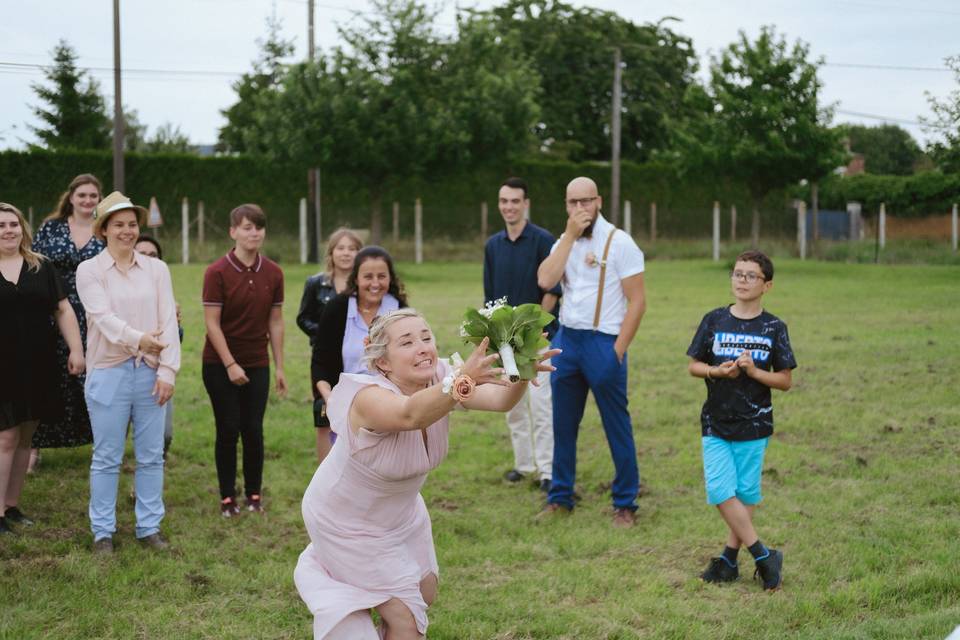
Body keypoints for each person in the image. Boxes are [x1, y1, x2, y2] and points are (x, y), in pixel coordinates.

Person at [295, 308, 559, 639]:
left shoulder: (442, 378)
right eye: (407, 342)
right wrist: (463, 377)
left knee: (424, 593)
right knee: (407, 618)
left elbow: (501, 401)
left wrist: (521, 370)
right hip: (346, 521)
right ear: (384, 363)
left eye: (426, 337)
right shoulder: (367, 398)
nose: (422, 347)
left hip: (400, 513)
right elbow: (409, 415)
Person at [536, 176, 647, 528]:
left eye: (586, 201)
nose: (580, 208)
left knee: (616, 424)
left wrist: (617, 350)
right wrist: (568, 236)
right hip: (567, 340)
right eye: (573, 202)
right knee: (563, 423)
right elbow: (544, 280)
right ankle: (560, 496)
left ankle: (626, 501)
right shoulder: (563, 241)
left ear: (598, 201)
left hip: (604, 342)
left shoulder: (620, 242)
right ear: (566, 205)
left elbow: (638, 301)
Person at [76, 192, 180, 554]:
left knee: (151, 455)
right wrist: (140, 340)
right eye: (118, 225)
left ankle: (149, 527)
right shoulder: (89, 270)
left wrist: (168, 371)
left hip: (151, 374)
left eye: (132, 224)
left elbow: (168, 320)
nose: (127, 231)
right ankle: (102, 531)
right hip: (108, 373)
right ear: (103, 230)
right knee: (107, 456)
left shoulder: (157, 269)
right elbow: (102, 319)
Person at [686, 250, 796, 591]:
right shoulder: (715, 320)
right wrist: (717, 370)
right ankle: (764, 556)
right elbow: (693, 366)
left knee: (745, 493)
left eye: (751, 276)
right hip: (716, 421)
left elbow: (785, 380)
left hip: (755, 423)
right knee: (720, 489)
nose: (742, 281)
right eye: (737, 274)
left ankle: (729, 561)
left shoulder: (774, 327)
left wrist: (753, 371)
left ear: (767, 285)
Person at [0, 203, 84, 534]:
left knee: (25, 436)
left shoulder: (41, 267)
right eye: (1, 225)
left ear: (23, 228)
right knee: (5, 435)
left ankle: (12, 505)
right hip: (2, 365)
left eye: (13, 224)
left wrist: (76, 349)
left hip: (38, 362)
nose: (8, 230)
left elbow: (62, 309)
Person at [202, 204, 286, 518]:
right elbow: (212, 323)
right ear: (233, 231)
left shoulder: (274, 272)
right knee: (228, 429)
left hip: (257, 362)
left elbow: (275, 321)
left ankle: (253, 495)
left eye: (259, 228)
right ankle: (227, 498)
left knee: (253, 429)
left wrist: (278, 366)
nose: (254, 233)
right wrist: (229, 364)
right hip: (218, 364)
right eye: (247, 227)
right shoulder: (216, 272)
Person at [483, 177, 559, 493]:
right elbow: (489, 296)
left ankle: (546, 471)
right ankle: (523, 465)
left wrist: (536, 330)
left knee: (541, 406)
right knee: (512, 406)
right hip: (505, 340)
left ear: (526, 203)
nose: (509, 207)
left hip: (538, 338)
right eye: (504, 201)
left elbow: (553, 289)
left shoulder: (543, 240)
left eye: (515, 201)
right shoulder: (492, 245)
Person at [30, 174, 105, 456]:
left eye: (93, 196)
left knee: (93, 378)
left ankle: (102, 444)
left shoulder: (105, 230)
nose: (87, 200)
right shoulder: (51, 228)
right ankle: (33, 448)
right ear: (71, 197)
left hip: (94, 313)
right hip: (53, 311)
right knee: (46, 376)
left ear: (99, 200)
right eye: (82, 195)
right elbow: (32, 262)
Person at [311, 245, 406, 440]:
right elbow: (320, 362)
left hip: (390, 409)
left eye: (381, 276)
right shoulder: (337, 308)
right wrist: (330, 399)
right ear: (356, 279)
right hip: (345, 408)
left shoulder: (399, 311)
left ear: (390, 278)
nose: (375, 283)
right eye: (368, 276)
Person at [297, 228, 363, 462]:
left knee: (358, 417)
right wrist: (327, 335)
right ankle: (325, 473)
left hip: (357, 359)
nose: (346, 254)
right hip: (326, 360)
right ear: (331, 252)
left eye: (352, 249)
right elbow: (303, 317)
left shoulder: (364, 284)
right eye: (341, 248)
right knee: (326, 416)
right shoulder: (316, 283)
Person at [134, 235, 182, 458]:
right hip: (120, 370)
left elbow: (176, 341)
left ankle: (150, 478)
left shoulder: (166, 295)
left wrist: (175, 325)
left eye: (153, 255)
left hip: (157, 373)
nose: (148, 259)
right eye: (142, 254)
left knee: (164, 435)